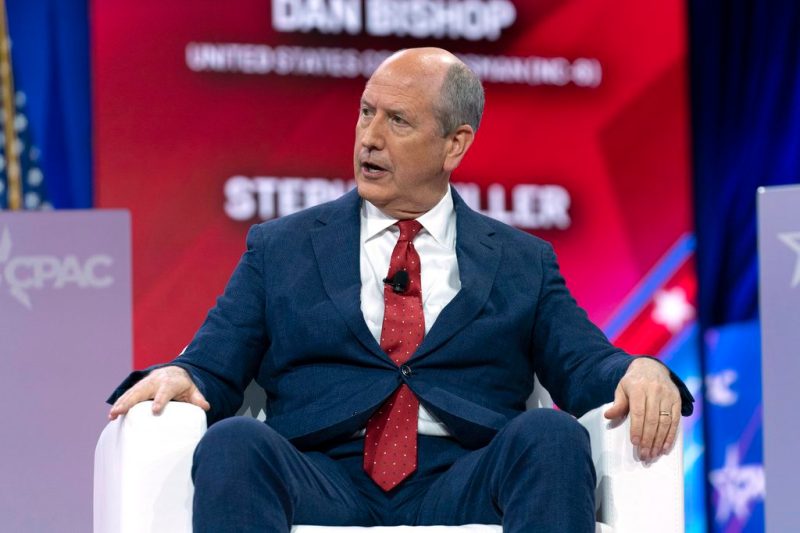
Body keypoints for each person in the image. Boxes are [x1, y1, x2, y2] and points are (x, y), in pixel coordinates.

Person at [108, 47, 693, 532]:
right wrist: (179, 374)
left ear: (454, 145)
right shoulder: (280, 247)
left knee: (552, 435)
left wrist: (639, 370)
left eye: (398, 121)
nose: (370, 137)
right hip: (321, 473)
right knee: (235, 443)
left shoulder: (521, 261)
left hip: (464, 476)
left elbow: (583, 362)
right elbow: (214, 363)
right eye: (366, 113)